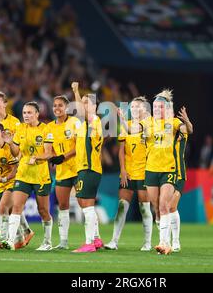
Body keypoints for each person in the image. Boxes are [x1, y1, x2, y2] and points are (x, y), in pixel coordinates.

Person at [0, 92, 34, 247]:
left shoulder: (15, 123)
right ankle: (24, 232)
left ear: (5, 104)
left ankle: (5, 238)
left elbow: (18, 146)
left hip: (13, 168)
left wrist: (17, 163)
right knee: (7, 207)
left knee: (4, 206)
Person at [2, 102, 54, 251]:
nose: (26, 115)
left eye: (30, 113)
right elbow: (15, 152)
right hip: (23, 174)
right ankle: (10, 241)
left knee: (43, 210)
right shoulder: (20, 129)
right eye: (24, 113)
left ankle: (47, 242)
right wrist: (10, 143)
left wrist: (37, 157)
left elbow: (49, 153)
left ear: (37, 114)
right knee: (16, 206)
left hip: (41, 177)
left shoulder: (46, 129)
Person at [104, 96, 154, 251]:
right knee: (121, 206)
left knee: (144, 207)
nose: (134, 109)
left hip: (144, 172)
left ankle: (147, 242)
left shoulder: (148, 124)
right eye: (132, 107)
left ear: (144, 109)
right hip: (128, 172)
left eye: (137, 106)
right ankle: (114, 241)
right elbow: (121, 151)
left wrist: (123, 120)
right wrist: (123, 170)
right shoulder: (127, 126)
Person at [143, 89, 188, 255]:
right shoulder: (155, 126)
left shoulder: (176, 125)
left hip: (177, 170)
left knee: (169, 206)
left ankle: (170, 241)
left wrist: (187, 122)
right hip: (156, 169)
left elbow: (188, 129)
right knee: (160, 207)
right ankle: (167, 241)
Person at [71, 82, 104, 253]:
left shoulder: (93, 121)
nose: (82, 105)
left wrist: (76, 91)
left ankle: (89, 242)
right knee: (84, 203)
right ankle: (96, 239)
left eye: (86, 102)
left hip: (89, 168)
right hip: (84, 168)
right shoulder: (86, 124)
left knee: (87, 205)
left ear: (94, 106)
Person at [44, 95, 81, 249]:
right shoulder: (49, 127)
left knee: (85, 204)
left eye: (60, 105)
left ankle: (95, 239)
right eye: (54, 105)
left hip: (79, 169)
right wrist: (52, 157)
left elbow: (79, 146)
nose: (57, 108)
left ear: (66, 107)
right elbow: (48, 149)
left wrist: (62, 157)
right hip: (62, 171)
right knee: (63, 205)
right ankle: (63, 242)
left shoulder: (75, 122)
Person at [169, 106, 193, 253]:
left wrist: (186, 119)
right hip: (164, 172)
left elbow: (190, 129)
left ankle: (176, 241)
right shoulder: (163, 131)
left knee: (172, 206)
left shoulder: (181, 130)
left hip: (179, 174)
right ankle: (164, 240)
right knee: (164, 208)